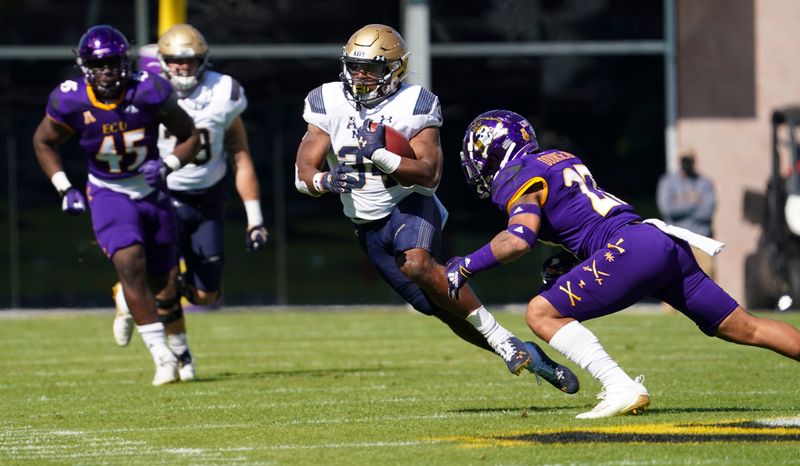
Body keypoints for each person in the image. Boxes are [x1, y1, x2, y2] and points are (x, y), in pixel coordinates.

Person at [446, 109, 800, 418]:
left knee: (540, 313)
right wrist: (571, 257)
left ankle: (619, 387)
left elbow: (518, 239)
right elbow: (586, 218)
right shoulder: (558, 157)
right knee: (745, 327)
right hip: (656, 239)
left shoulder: (516, 175)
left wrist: (465, 265)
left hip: (630, 248)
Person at [293, 24, 578, 394]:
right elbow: (304, 169)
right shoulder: (327, 99)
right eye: (355, 66)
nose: (361, 76)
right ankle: (518, 348)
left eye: (373, 69)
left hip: (409, 203)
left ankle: (502, 339)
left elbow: (429, 175)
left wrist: (379, 153)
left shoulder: (415, 102)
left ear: (395, 69)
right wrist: (323, 181)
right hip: (365, 221)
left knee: (418, 264)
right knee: (441, 308)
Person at [32, 25, 200, 386]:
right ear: (85, 65)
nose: (107, 70)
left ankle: (165, 335)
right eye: (99, 63)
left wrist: (169, 164)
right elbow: (43, 142)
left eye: (112, 62)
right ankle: (161, 357)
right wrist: (64, 187)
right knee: (129, 261)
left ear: (123, 62)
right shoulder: (70, 99)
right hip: (109, 191)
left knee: (165, 280)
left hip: (152, 190)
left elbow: (191, 136)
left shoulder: (150, 89)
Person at [112, 24, 267, 350]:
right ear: (163, 61)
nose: (183, 66)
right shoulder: (147, 91)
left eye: (191, 60)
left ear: (203, 60)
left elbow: (240, 155)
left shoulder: (224, 92)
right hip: (160, 194)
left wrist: (255, 218)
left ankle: (138, 290)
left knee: (206, 294)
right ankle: (169, 342)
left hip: (206, 198)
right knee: (162, 279)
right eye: (176, 60)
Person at [656, 152, 716, 278]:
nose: (686, 164)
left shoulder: (704, 183)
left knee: (707, 286)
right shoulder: (668, 182)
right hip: (677, 243)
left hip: (702, 243)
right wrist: (694, 202)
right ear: (679, 161)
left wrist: (681, 203)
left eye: (688, 160)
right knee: (672, 287)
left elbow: (707, 212)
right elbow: (668, 209)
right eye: (683, 160)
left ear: (694, 161)